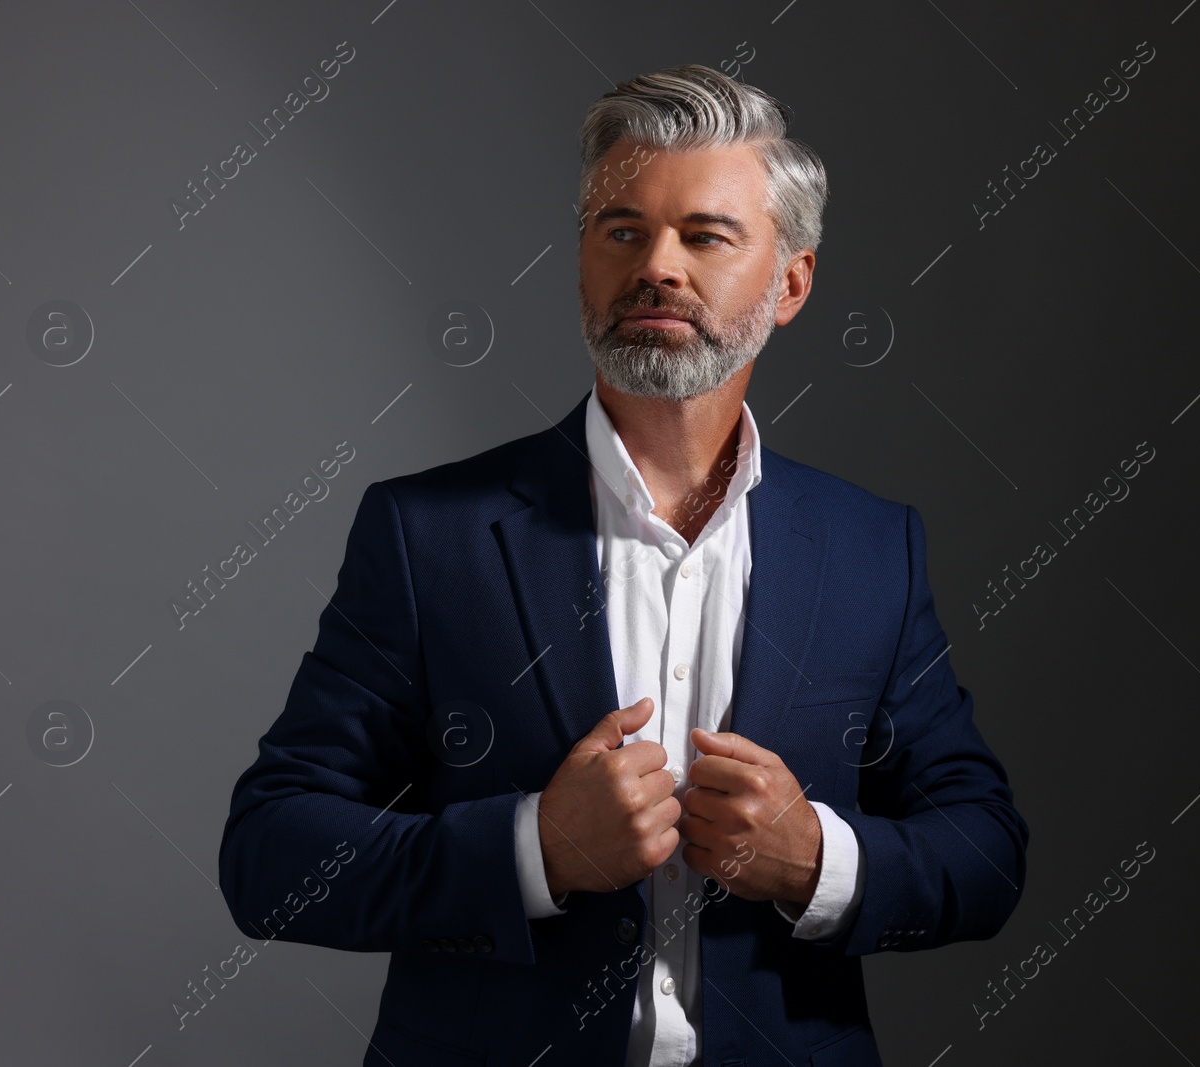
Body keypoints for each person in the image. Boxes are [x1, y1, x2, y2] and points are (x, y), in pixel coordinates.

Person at [218, 63, 1028, 1067]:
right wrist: (532, 849)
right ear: (581, 268)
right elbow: (270, 855)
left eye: (706, 233)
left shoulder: (871, 547)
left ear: (791, 283)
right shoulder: (428, 534)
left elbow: (985, 853)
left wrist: (818, 860)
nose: (659, 264)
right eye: (622, 230)